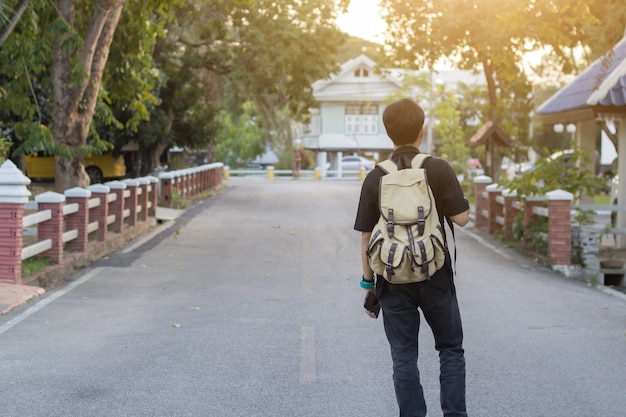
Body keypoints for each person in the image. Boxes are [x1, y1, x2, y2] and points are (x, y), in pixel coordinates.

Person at [354, 98, 470, 417]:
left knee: (404, 357)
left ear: (388, 133)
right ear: (421, 130)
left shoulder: (375, 176)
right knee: (450, 350)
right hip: (436, 275)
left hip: (392, 280)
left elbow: (366, 236)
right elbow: (462, 219)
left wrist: (369, 286)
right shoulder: (438, 168)